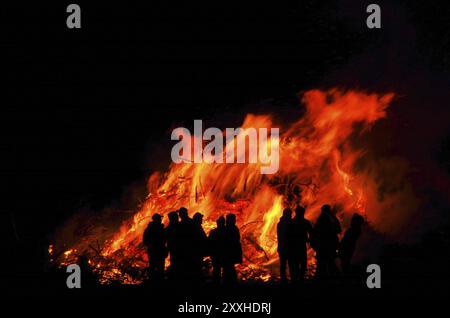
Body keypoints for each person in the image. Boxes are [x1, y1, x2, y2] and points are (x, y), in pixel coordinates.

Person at [312, 204, 341, 278]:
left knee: (323, 265)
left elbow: (315, 232)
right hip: (329, 246)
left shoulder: (321, 219)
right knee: (329, 263)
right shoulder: (331, 219)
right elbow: (338, 229)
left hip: (323, 246)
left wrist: (314, 244)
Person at [143, 213, 167, 280]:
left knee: (153, 268)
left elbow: (145, 241)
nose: (160, 220)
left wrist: (151, 246)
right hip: (159, 252)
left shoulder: (149, 229)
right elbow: (165, 239)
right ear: (156, 219)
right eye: (159, 218)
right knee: (160, 269)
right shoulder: (160, 229)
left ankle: (153, 282)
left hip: (153, 252)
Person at [292, 205, 313, 281]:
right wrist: (309, 240)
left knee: (296, 262)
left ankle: (297, 278)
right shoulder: (305, 222)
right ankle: (300, 278)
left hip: (294, 245)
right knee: (302, 262)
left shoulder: (292, 222)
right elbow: (311, 232)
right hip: (300, 245)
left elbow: (311, 232)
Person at [223, 213, 242, 284]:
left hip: (229, 253)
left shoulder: (228, 228)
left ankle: (229, 282)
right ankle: (231, 282)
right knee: (229, 268)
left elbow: (236, 240)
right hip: (230, 253)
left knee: (228, 268)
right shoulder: (233, 228)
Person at [277, 208, 295, 282]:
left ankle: (283, 279)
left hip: (282, 247)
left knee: (283, 264)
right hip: (289, 247)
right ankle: (293, 278)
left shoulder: (280, 223)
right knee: (291, 264)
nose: (291, 215)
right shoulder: (291, 223)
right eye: (290, 214)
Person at [208, 216, 226, 283]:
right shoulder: (227, 232)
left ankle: (216, 285)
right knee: (225, 270)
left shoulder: (213, 232)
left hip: (216, 255)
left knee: (216, 270)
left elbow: (209, 242)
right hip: (224, 254)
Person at [192, 212, 208, 280]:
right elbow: (203, 238)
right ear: (198, 219)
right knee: (197, 268)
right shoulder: (197, 227)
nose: (202, 219)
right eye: (201, 218)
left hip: (196, 251)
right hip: (196, 252)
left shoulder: (195, 226)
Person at [165, 211, 181, 279]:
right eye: (176, 217)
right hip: (179, 249)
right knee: (178, 264)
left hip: (173, 249)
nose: (178, 218)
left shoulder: (168, 228)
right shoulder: (180, 226)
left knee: (175, 263)